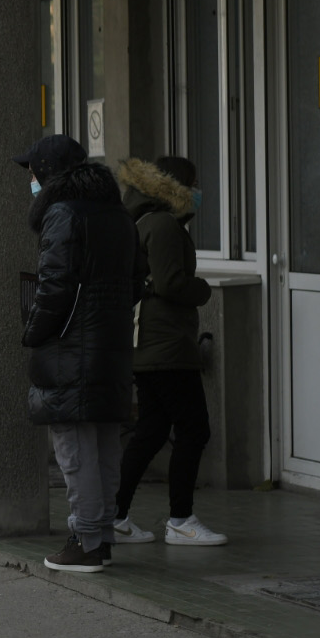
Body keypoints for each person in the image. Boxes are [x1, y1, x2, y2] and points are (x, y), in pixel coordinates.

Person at [15, 134, 146, 574]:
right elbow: (137, 278)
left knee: (74, 448)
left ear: (48, 173)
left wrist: (33, 331)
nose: (30, 180)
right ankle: (102, 535)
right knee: (105, 444)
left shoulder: (62, 214)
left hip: (71, 348)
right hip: (109, 344)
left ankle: (85, 541)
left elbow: (54, 285)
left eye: (32, 171)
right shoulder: (117, 214)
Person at [112, 157, 226, 547]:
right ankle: (180, 520)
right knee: (194, 429)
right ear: (176, 185)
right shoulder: (161, 225)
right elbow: (171, 284)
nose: (198, 190)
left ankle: (114, 516)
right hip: (166, 346)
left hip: (150, 343)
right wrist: (204, 289)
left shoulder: (145, 220)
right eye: (195, 182)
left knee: (151, 431)